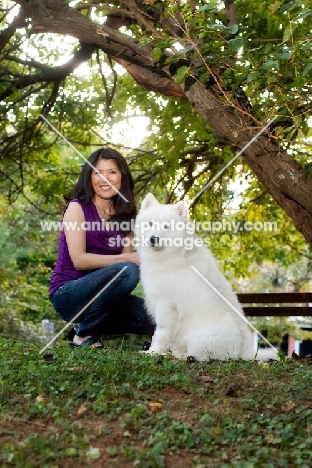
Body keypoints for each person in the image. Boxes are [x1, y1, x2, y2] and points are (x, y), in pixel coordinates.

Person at [49, 147, 151, 348]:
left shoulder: (128, 218)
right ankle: (84, 335)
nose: (105, 179)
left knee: (155, 316)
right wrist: (127, 260)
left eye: (112, 172)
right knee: (127, 269)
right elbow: (80, 260)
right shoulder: (77, 208)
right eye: (98, 172)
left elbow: (122, 277)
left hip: (105, 301)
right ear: (89, 177)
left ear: (122, 177)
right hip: (69, 295)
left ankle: (86, 329)